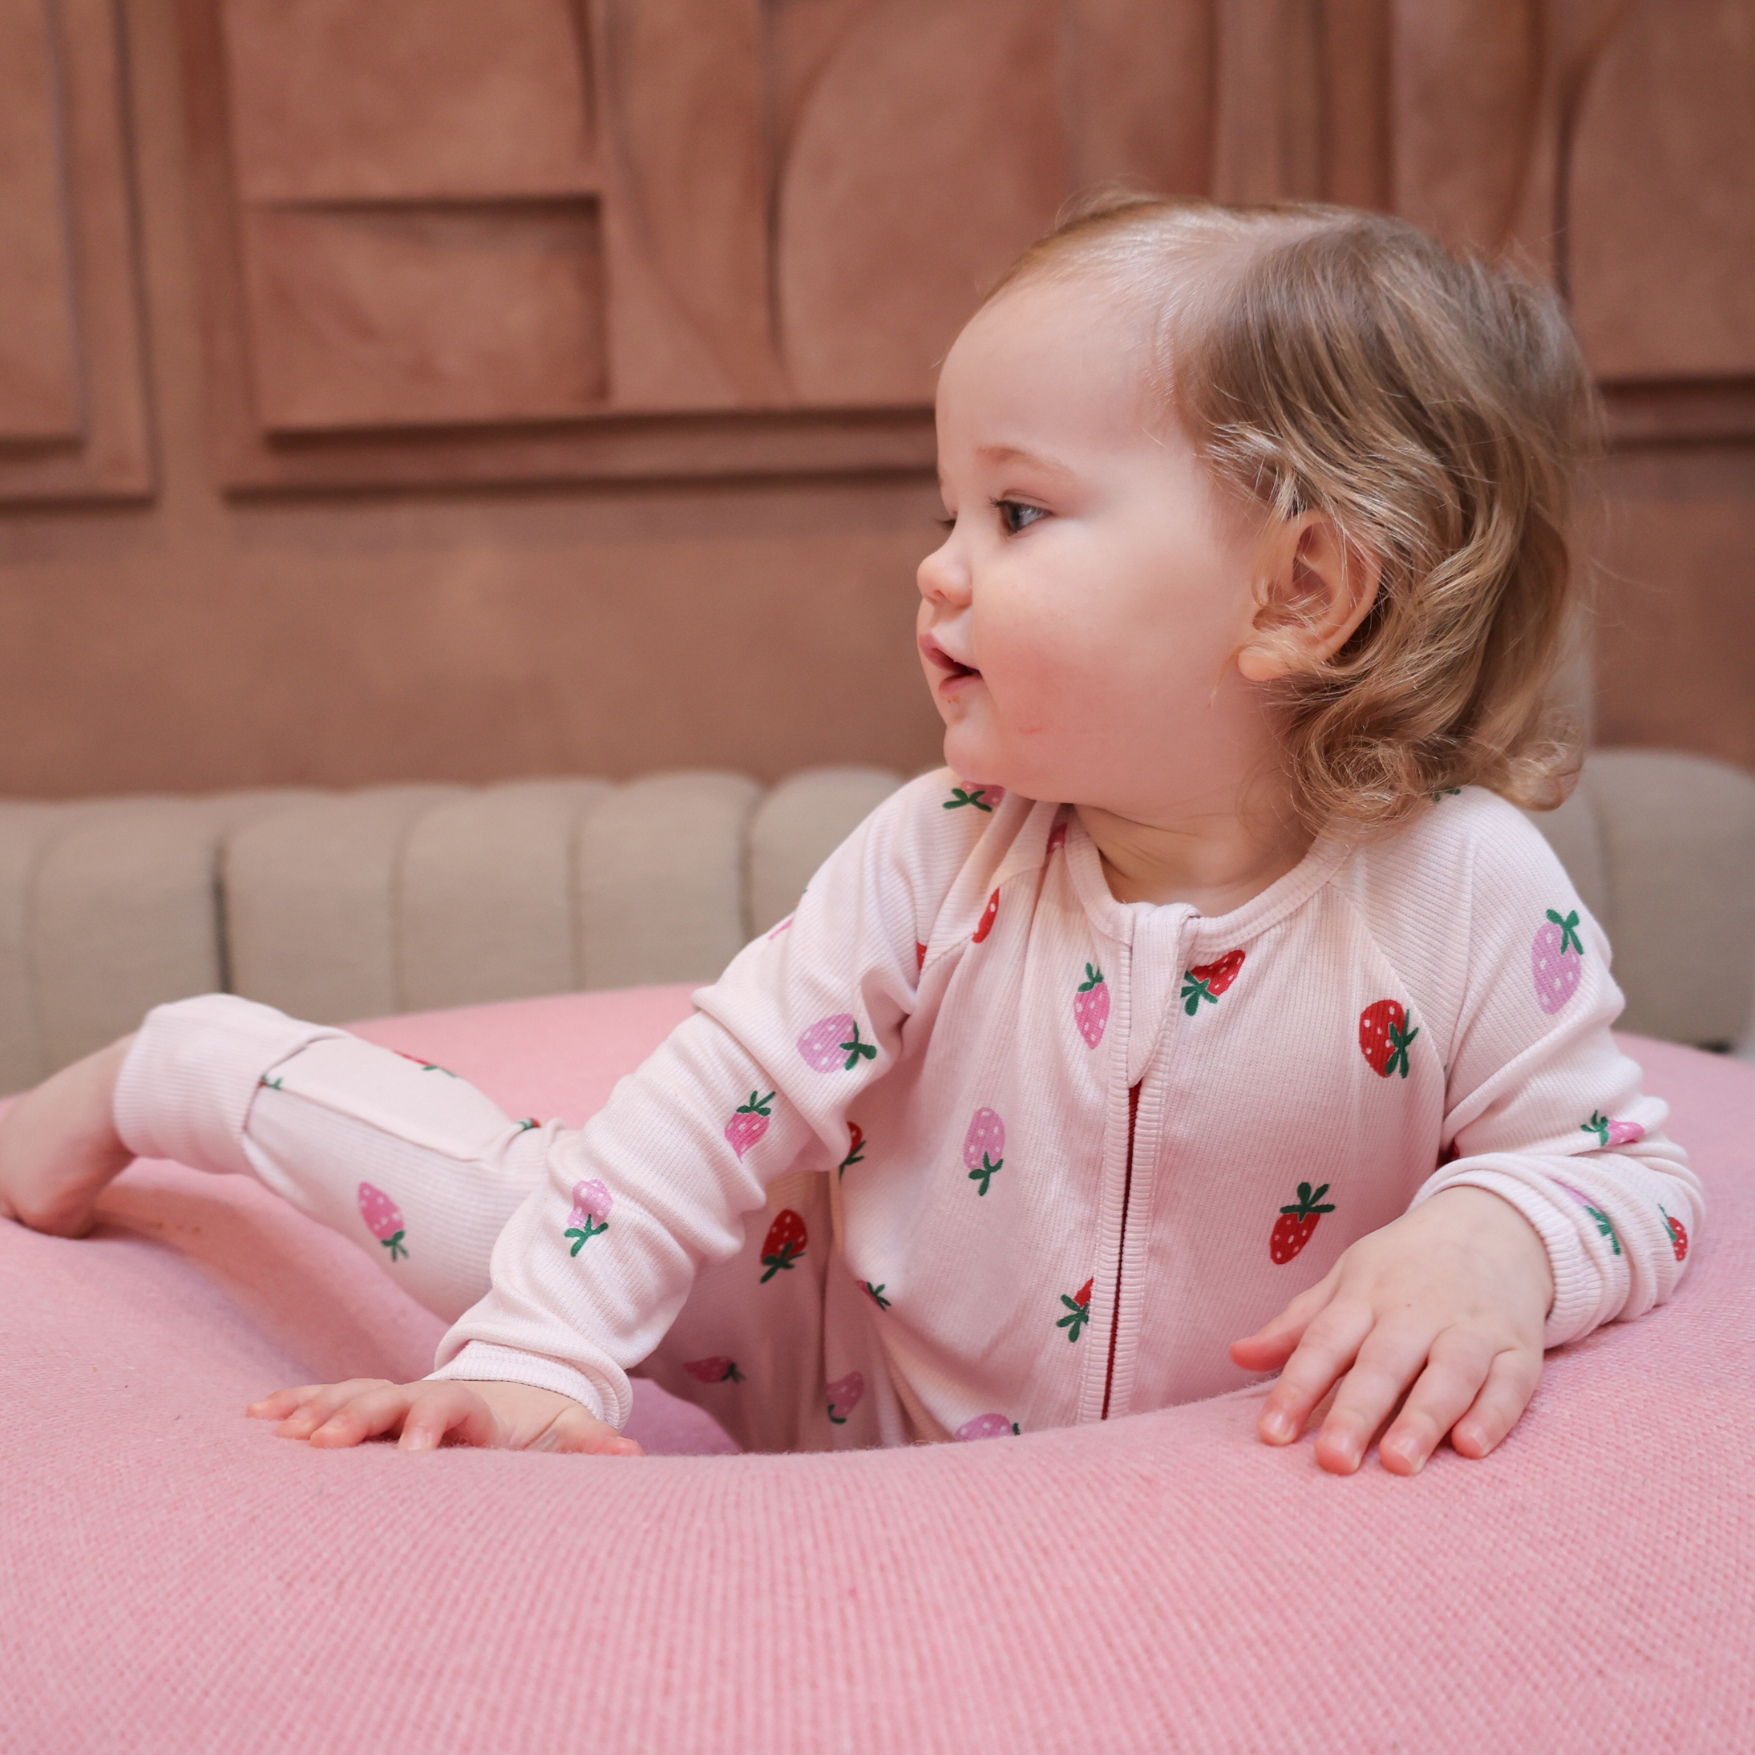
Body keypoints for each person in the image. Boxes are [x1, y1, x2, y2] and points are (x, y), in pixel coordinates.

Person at [0, 197, 1701, 1476]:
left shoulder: (1460, 888)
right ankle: (185, 1068)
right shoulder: (938, 851)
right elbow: (699, 1106)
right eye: (947, 507)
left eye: (1016, 511)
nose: (938, 567)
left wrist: (1499, 1235)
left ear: (1299, 588)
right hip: (809, 1334)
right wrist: (534, 1356)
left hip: (1154, 1497)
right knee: (508, 1212)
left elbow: (1629, 1171)